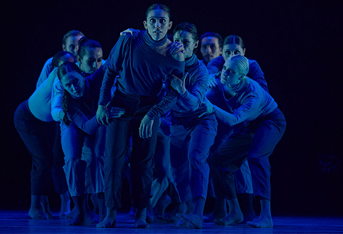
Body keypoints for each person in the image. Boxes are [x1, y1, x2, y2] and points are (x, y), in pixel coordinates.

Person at [96, 4, 185, 228]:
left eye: (162, 21)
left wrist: (153, 114)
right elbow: (110, 71)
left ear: (169, 25)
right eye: (153, 21)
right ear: (145, 24)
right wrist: (102, 103)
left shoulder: (175, 53)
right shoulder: (129, 39)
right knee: (114, 160)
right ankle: (110, 213)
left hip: (149, 107)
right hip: (122, 103)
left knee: (144, 162)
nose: (157, 25)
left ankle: (141, 214)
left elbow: (174, 93)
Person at [204, 55, 286, 228]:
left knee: (256, 157)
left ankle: (265, 215)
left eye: (231, 71)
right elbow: (207, 88)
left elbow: (233, 119)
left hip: (270, 121)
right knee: (216, 161)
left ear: (241, 77)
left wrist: (211, 107)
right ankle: (235, 211)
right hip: (249, 124)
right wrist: (209, 78)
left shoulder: (252, 94)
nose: (225, 73)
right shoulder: (222, 78)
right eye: (225, 68)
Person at [157, 22, 216, 229]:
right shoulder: (166, 64)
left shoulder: (200, 70)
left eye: (186, 42)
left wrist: (182, 90)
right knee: (176, 170)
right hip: (177, 122)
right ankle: (189, 211)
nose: (180, 45)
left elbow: (194, 103)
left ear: (195, 44)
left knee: (196, 158)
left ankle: (198, 214)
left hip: (201, 120)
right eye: (177, 41)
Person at [57, 62, 125, 225]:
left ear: (82, 75)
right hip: (78, 123)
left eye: (75, 81)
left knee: (98, 155)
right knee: (72, 158)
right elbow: (87, 127)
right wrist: (105, 112)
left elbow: (113, 60)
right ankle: (80, 209)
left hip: (99, 118)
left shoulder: (96, 78)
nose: (74, 87)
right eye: (68, 85)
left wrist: (127, 37)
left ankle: (103, 210)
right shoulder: (68, 103)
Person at [14, 51, 76, 220]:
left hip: (44, 123)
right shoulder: (56, 79)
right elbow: (56, 107)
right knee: (43, 161)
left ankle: (44, 206)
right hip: (27, 119)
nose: (69, 68)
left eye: (73, 64)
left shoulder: (69, 77)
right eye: (64, 66)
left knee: (48, 161)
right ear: (56, 69)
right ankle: (34, 208)